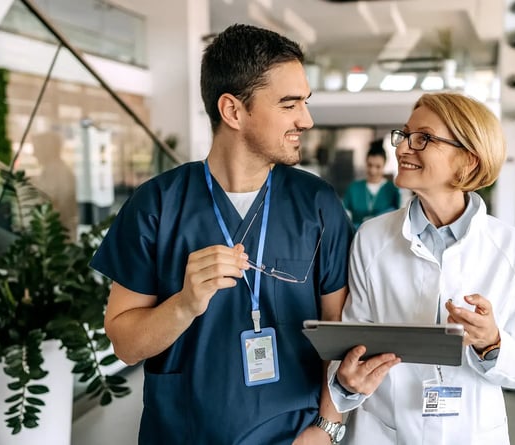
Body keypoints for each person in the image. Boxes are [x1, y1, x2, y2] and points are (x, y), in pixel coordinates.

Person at [91, 24, 353, 445]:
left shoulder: (318, 204)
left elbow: (340, 333)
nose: (306, 119)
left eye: (305, 102)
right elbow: (125, 344)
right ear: (232, 111)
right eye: (289, 105)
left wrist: (327, 430)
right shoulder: (157, 204)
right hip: (180, 433)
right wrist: (184, 304)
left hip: (291, 437)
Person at [327, 93, 515, 444]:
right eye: (404, 135)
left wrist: (491, 342)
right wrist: (346, 381)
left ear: (468, 160)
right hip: (385, 432)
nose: (401, 149)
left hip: (471, 434)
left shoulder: (513, 250)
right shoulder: (371, 239)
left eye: (423, 138)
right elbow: (356, 343)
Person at [342, 139, 400, 229]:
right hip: (356, 235)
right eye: (370, 165)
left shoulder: (392, 190)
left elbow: (397, 219)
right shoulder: (354, 188)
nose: (373, 171)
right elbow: (344, 216)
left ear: (384, 165)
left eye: (378, 166)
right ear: (365, 162)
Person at [31, 131, 78, 239]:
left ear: (47, 150)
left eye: (36, 148)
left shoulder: (59, 173)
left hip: (59, 235)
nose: (34, 154)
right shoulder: (50, 171)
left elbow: (58, 207)